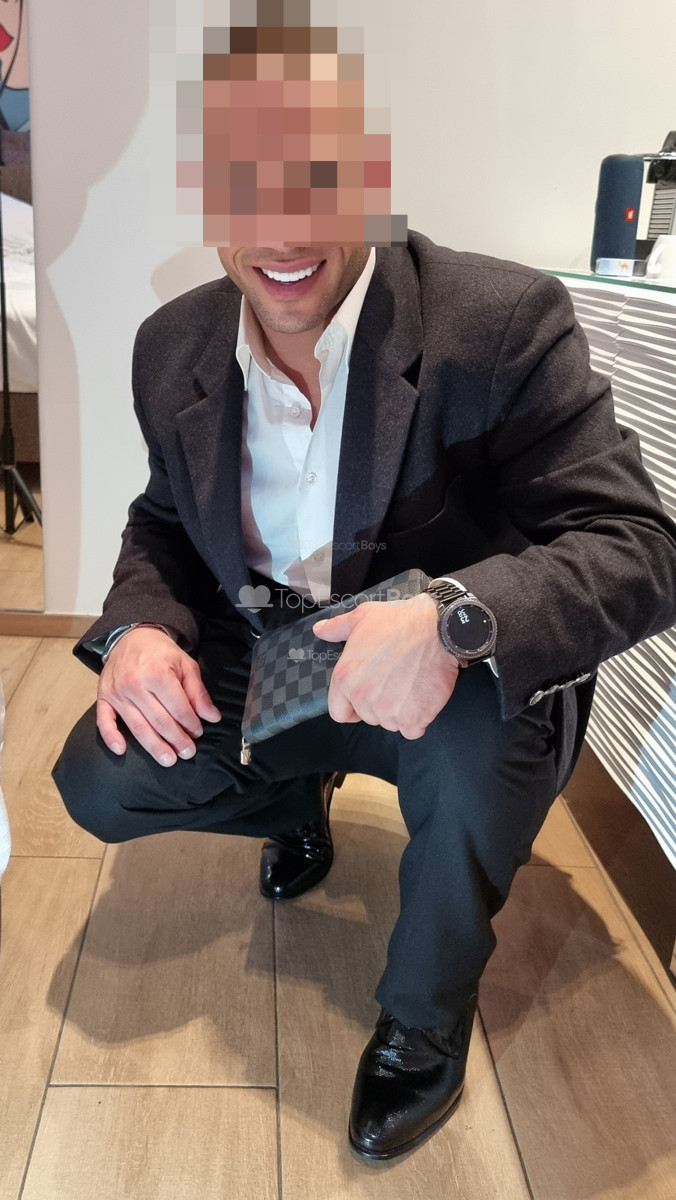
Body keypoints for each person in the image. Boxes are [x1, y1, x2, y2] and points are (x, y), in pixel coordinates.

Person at [52, 229, 676, 1160]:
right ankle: (296, 801)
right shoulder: (171, 344)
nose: (282, 229)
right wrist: (141, 624)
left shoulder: (499, 321)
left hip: (449, 668)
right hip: (266, 643)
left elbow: (639, 546)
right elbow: (164, 520)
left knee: (473, 770)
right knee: (103, 778)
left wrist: (452, 618)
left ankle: (426, 1017)